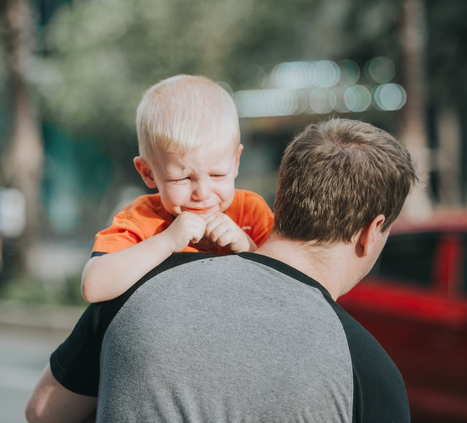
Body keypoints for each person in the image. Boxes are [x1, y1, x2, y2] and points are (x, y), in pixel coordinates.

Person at [26, 118, 417, 423]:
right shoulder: (369, 372)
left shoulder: (136, 289)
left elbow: (43, 412)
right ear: (369, 233)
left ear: (282, 198)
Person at [81, 75, 274, 303]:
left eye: (217, 175)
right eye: (181, 178)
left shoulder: (251, 212)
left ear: (236, 162)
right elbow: (93, 287)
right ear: (148, 173)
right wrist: (166, 241)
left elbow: (287, 287)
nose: (202, 193)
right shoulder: (142, 219)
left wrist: (247, 247)